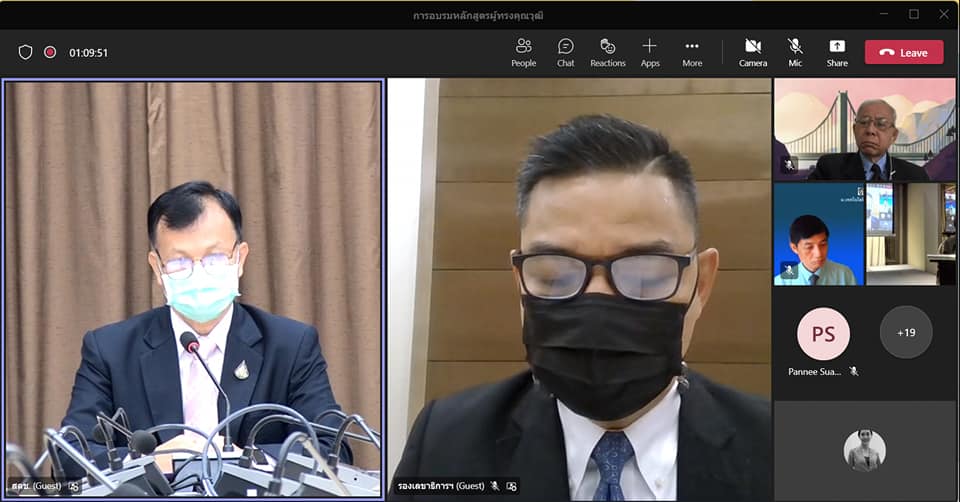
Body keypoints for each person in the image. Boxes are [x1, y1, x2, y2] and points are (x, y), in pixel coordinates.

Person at [392, 115, 770, 500]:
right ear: (520, 281)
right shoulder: (444, 444)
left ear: (701, 283)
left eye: (643, 274)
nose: (598, 304)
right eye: (556, 274)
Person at [60, 181, 351, 478]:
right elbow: (69, 455)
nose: (198, 272)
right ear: (157, 268)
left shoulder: (290, 345)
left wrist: (248, 460)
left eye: (214, 258)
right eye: (179, 262)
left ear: (240, 259)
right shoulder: (110, 350)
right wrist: (149, 462)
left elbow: (333, 449)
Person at [807, 99, 929, 181]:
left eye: (881, 124)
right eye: (864, 122)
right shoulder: (829, 168)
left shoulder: (916, 175)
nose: (870, 130)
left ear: (894, 135)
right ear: (854, 130)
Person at [774, 215, 857, 286]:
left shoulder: (845, 275)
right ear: (794, 248)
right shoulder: (781, 282)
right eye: (809, 247)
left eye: (823, 244)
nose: (819, 254)